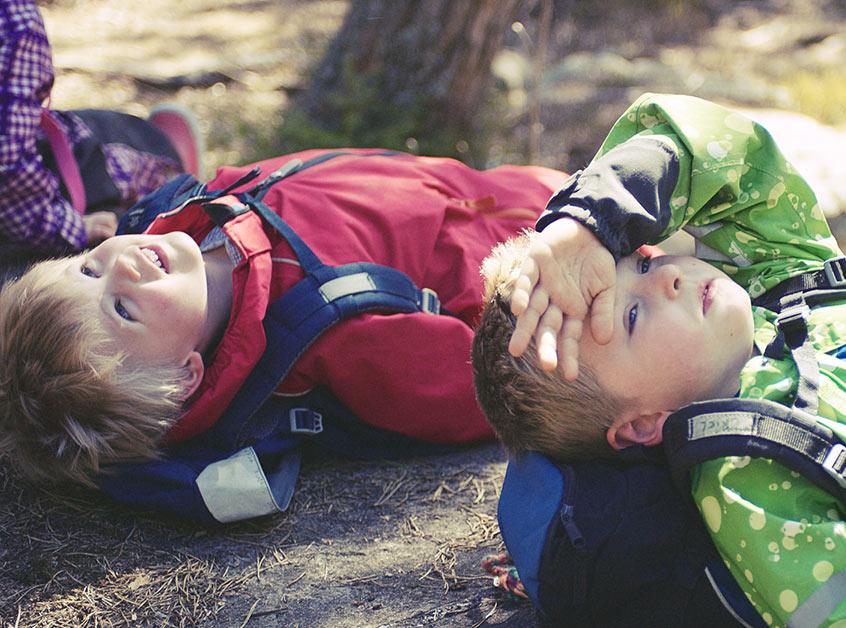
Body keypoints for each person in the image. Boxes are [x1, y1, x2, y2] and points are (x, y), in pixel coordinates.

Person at [472, 93, 846, 627]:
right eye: (633, 316)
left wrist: (591, 220)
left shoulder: (780, 271)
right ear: (643, 425)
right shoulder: (748, 472)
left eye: (639, 262)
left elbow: (719, 148)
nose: (670, 276)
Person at [0, 148, 567, 523]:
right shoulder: (329, 333)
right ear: (183, 374)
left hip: (494, 183)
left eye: (88, 271)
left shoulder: (197, 210)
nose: (122, 268)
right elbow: (497, 387)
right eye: (123, 309)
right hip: (540, 243)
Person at [0, 0, 202, 276]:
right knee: (111, 189)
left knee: (95, 124)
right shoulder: (13, 19)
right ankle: (173, 200)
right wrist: (70, 227)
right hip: (25, 212)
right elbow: (8, 168)